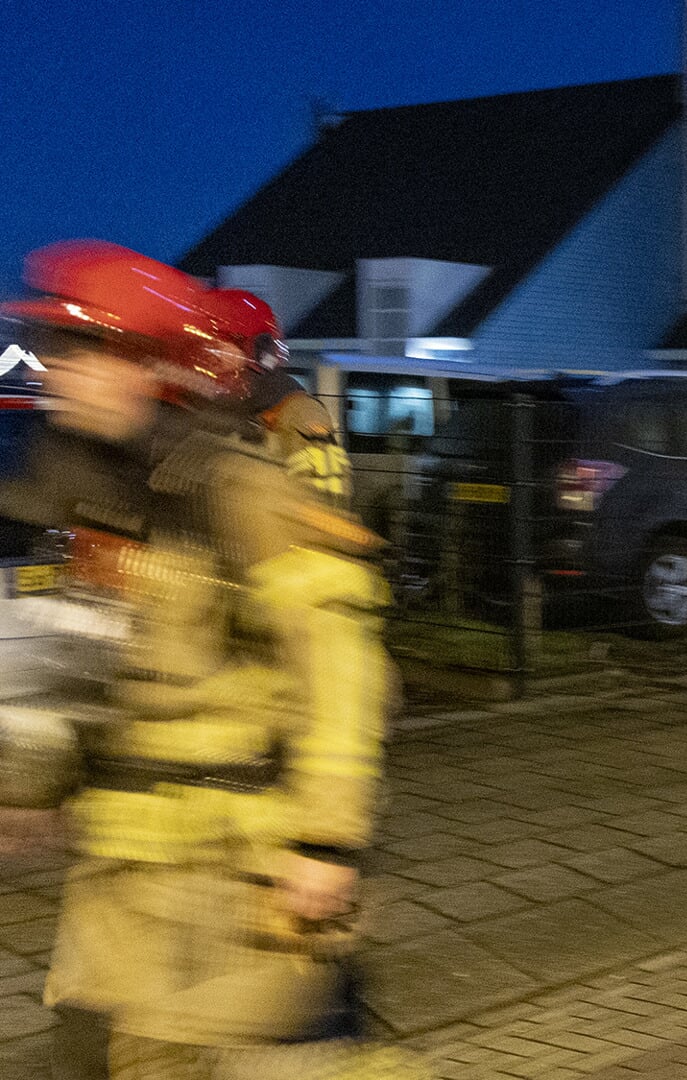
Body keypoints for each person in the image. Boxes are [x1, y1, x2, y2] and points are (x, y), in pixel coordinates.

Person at [0, 241, 422, 1079]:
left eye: (86, 351)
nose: (58, 369)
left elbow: (344, 671)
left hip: (242, 885)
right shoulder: (86, 492)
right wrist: (32, 787)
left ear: (150, 367)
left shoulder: (237, 493)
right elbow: (78, 657)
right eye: (58, 349)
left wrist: (327, 842)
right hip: (123, 889)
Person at [201, 287, 352, 508]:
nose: (207, 359)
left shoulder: (299, 413)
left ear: (257, 351)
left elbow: (326, 507)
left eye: (217, 349)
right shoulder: (223, 409)